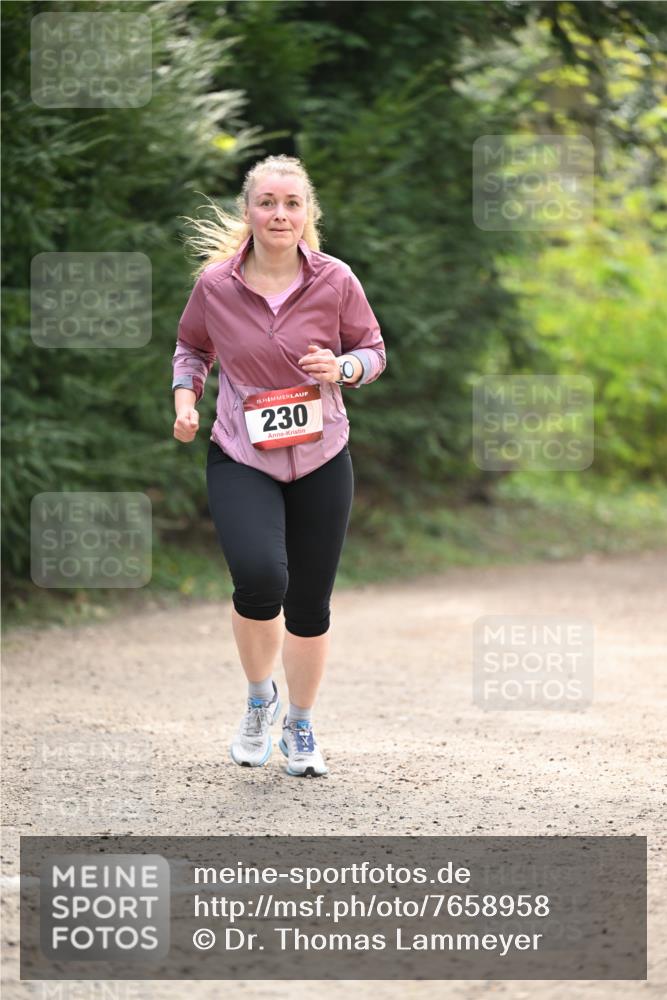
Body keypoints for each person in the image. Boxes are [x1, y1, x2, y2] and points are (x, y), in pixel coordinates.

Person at [171, 154, 386, 777]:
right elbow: (192, 346)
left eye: (292, 204)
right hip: (242, 452)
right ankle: (259, 700)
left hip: (322, 456)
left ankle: (300, 726)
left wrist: (342, 369)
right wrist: (187, 400)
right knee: (261, 578)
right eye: (267, 202)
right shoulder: (215, 285)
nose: (280, 214)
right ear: (249, 212)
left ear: (307, 214)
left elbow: (372, 350)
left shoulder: (335, 280)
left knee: (311, 602)